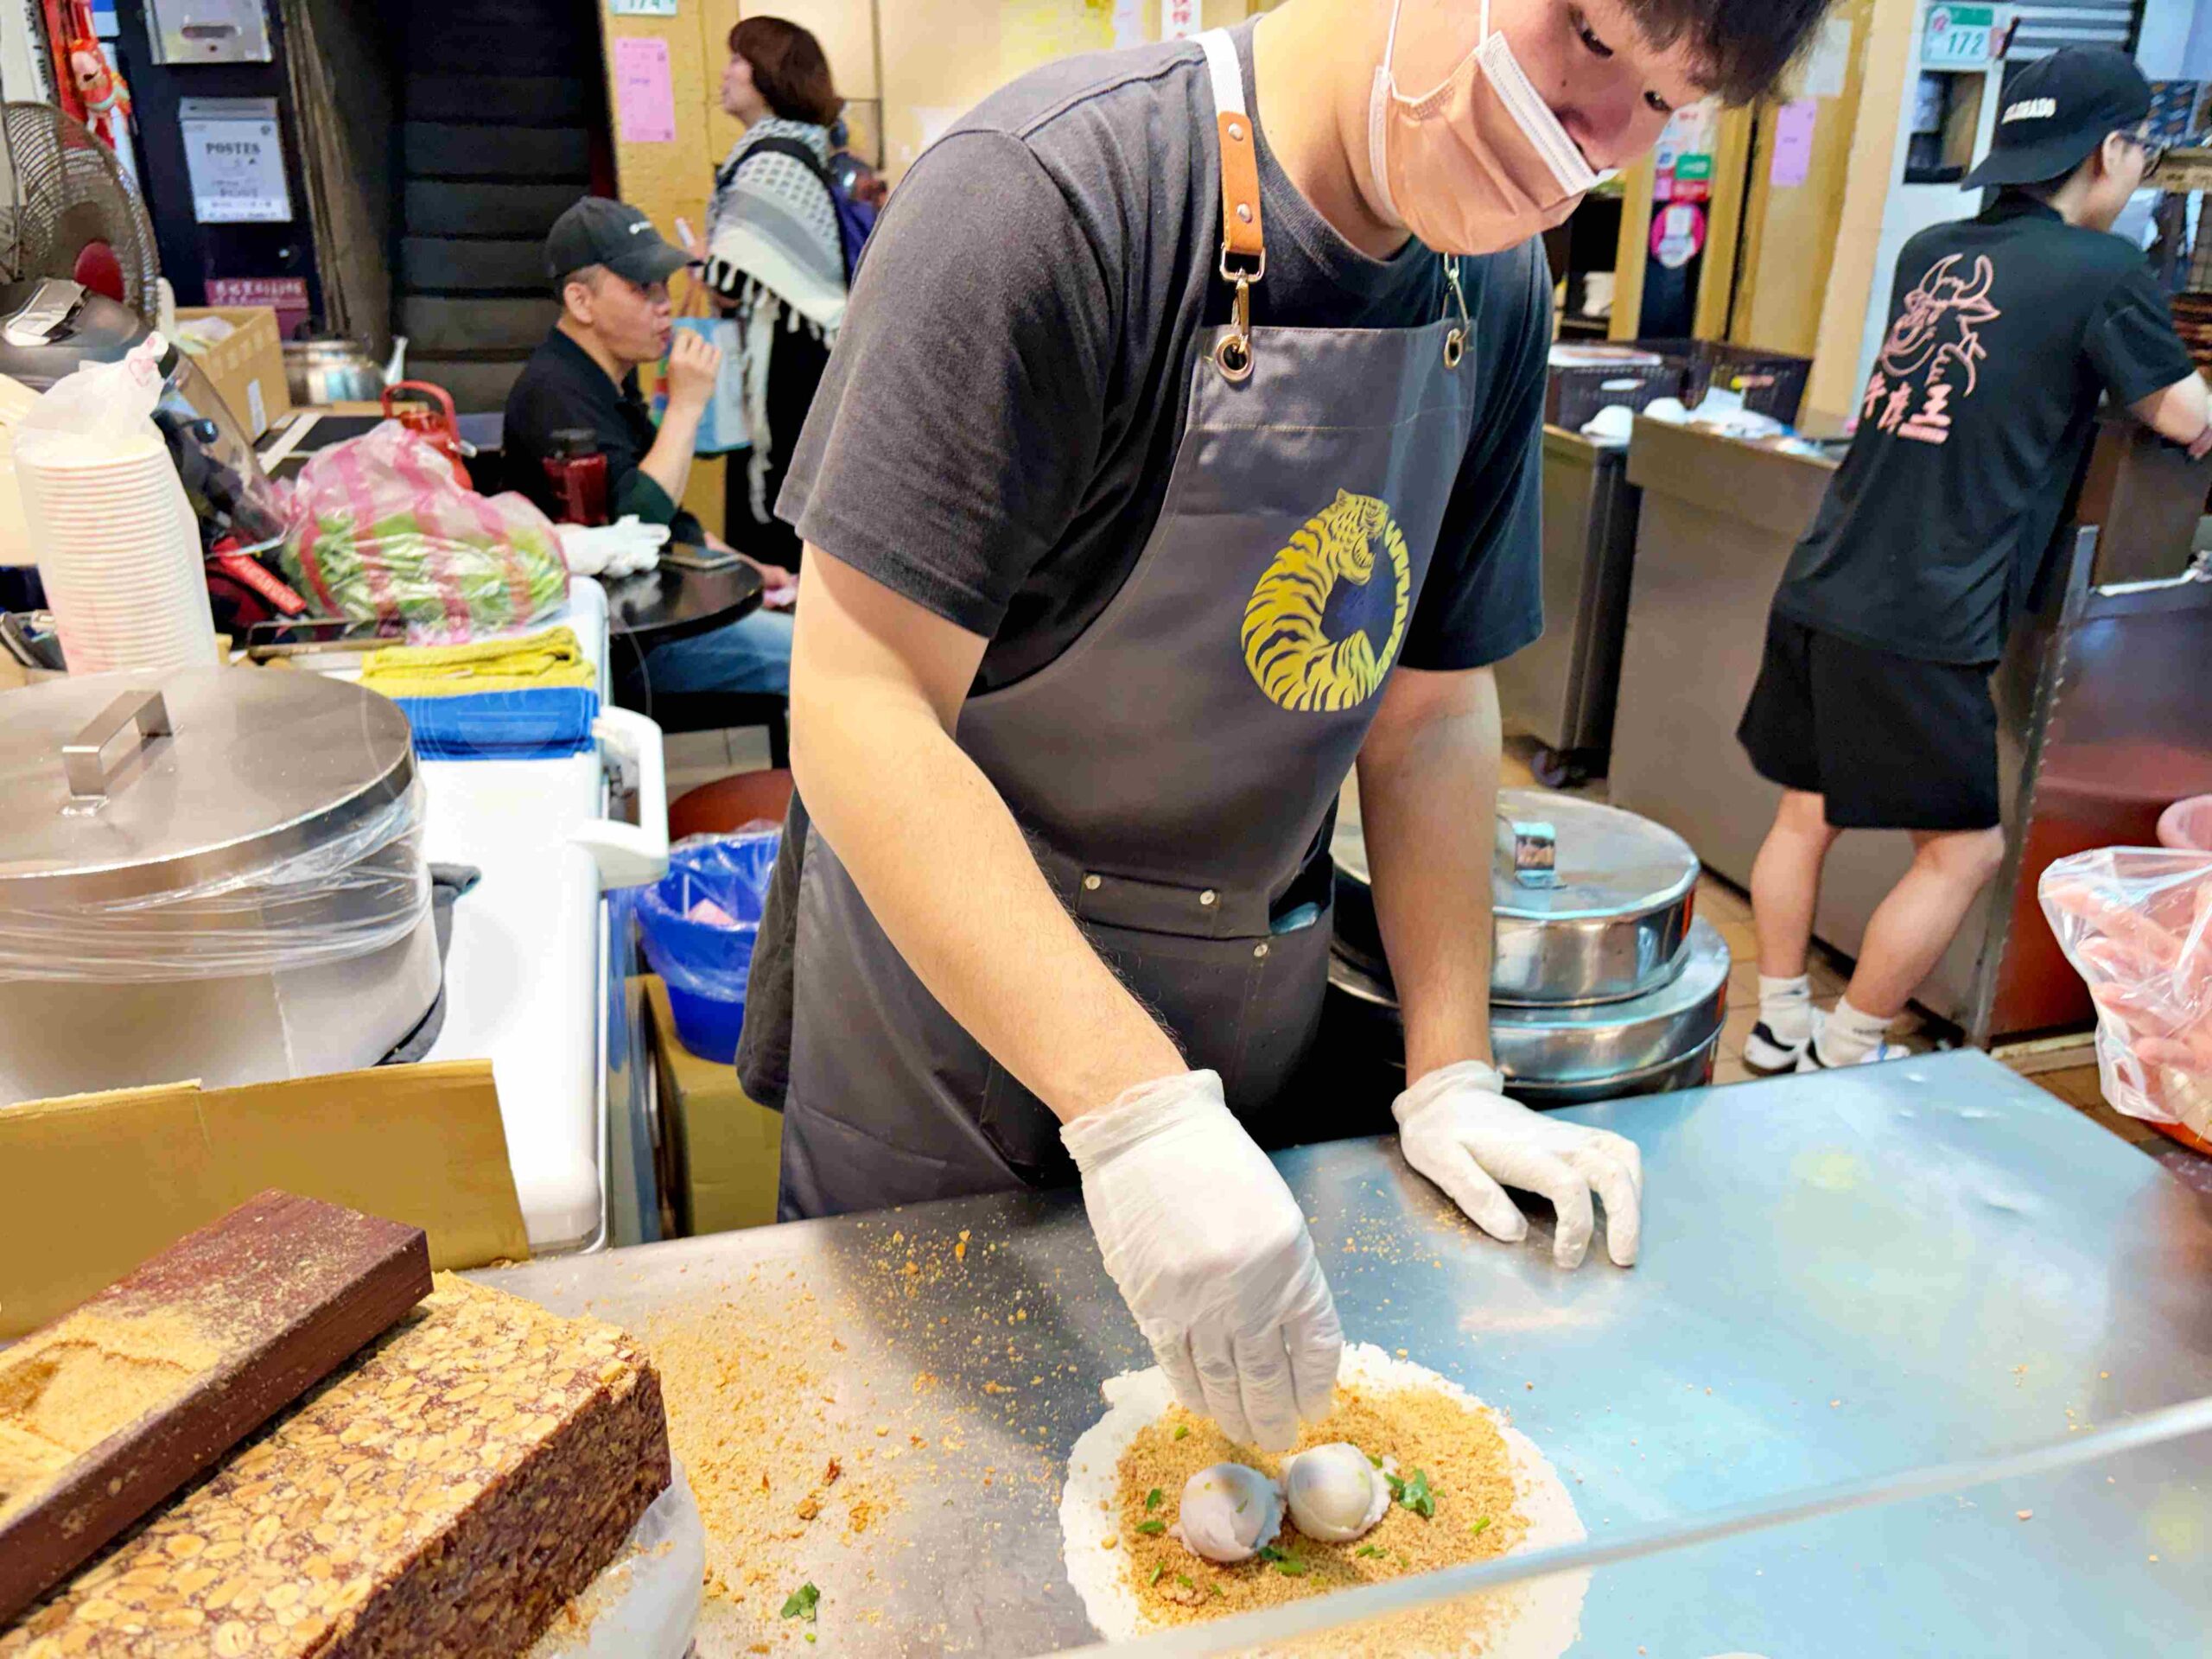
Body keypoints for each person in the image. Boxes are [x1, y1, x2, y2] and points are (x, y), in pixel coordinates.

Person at [741, 0, 1830, 1453]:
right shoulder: (1055, 201)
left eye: (1668, 103)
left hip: (1236, 1029)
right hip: (948, 1069)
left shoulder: (1490, 285)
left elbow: (1433, 707)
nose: (1597, 143)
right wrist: (1136, 1116)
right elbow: (859, 704)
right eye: (1587, 39)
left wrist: (1453, 1072)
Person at [1739, 46, 2212, 1076]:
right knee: (1965, 851)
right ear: (2109, 151)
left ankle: (1777, 1020)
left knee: (1804, 814)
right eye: (2140, 150)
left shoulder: (1935, 248)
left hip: (1827, 576)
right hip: (1927, 606)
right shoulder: (2105, 272)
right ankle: (1848, 1045)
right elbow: (2185, 413)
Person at [504, 196, 797, 699]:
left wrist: (746, 568)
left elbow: (671, 517)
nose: (664, 303)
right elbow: (638, 523)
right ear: (580, 302)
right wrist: (686, 406)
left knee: (824, 637)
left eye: (663, 284)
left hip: (659, 611)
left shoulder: (606, 375)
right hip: (627, 646)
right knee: (826, 666)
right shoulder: (554, 394)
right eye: (643, 288)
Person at [702, 16, 848, 570]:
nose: (726, 73)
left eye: (738, 60)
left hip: (781, 372)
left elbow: (730, 285)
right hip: (800, 361)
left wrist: (709, 269)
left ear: (769, 73)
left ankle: (777, 618)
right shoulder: (801, 152)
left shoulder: (768, 164)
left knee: (774, 504)